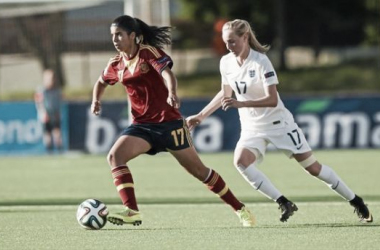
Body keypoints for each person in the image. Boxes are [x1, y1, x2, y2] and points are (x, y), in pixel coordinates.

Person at [186, 19, 373, 223]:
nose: (229, 47)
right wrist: (201, 115)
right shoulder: (226, 63)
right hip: (252, 127)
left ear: (245, 37)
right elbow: (225, 93)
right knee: (241, 162)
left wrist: (242, 104)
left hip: (279, 125)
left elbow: (272, 99)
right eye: (226, 42)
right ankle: (283, 202)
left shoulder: (261, 61)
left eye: (232, 41)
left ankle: (357, 202)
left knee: (313, 168)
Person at [90, 15, 255, 227]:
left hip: (169, 125)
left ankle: (240, 208)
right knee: (115, 156)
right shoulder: (116, 63)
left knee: (200, 172)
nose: (115, 39)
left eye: (119, 35)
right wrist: (96, 100)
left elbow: (168, 74)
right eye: (112, 35)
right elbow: (101, 82)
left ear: (132, 36)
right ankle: (131, 211)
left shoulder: (148, 53)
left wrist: (172, 92)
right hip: (142, 127)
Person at [34, 69, 63, 153]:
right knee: (47, 134)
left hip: (54, 114)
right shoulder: (41, 90)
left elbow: (59, 102)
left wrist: (58, 112)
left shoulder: (56, 90)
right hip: (45, 114)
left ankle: (59, 151)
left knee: (57, 133)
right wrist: (43, 113)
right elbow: (39, 103)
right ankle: (49, 152)